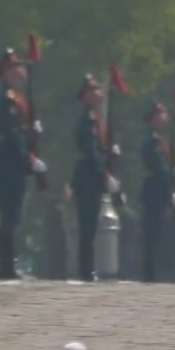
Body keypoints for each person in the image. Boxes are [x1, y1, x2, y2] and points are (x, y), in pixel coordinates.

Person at [0, 47, 44, 280]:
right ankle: (6, 265)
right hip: (9, 160)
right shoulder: (6, 99)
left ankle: (9, 263)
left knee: (14, 216)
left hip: (16, 160)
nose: (22, 71)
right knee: (9, 215)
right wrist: (28, 156)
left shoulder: (18, 98)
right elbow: (12, 133)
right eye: (16, 67)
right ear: (6, 73)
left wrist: (33, 132)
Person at [69, 74, 118, 282]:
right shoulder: (88, 120)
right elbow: (91, 152)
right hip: (88, 177)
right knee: (87, 225)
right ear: (87, 96)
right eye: (95, 90)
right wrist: (105, 174)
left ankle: (88, 268)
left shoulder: (96, 119)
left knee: (91, 225)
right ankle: (86, 269)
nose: (99, 93)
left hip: (92, 177)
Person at [139, 100, 175, 282]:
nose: (165, 117)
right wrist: (171, 185)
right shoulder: (153, 141)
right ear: (153, 119)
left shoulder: (161, 140)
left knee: (160, 233)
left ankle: (155, 272)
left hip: (161, 190)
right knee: (152, 233)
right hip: (156, 190)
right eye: (160, 114)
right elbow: (159, 167)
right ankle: (149, 274)